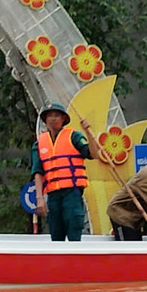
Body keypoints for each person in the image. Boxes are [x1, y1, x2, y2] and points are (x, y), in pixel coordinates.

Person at [32, 102, 92, 242]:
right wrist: (39, 198)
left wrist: (88, 132)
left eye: (57, 115)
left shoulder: (74, 136)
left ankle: (75, 261)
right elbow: (38, 172)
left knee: (74, 227)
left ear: (63, 119)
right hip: (53, 195)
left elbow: (92, 154)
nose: (53, 119)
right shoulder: (40, 143)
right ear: (45, 120)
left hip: (72, 191)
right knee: (55, 232)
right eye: (50, 116)